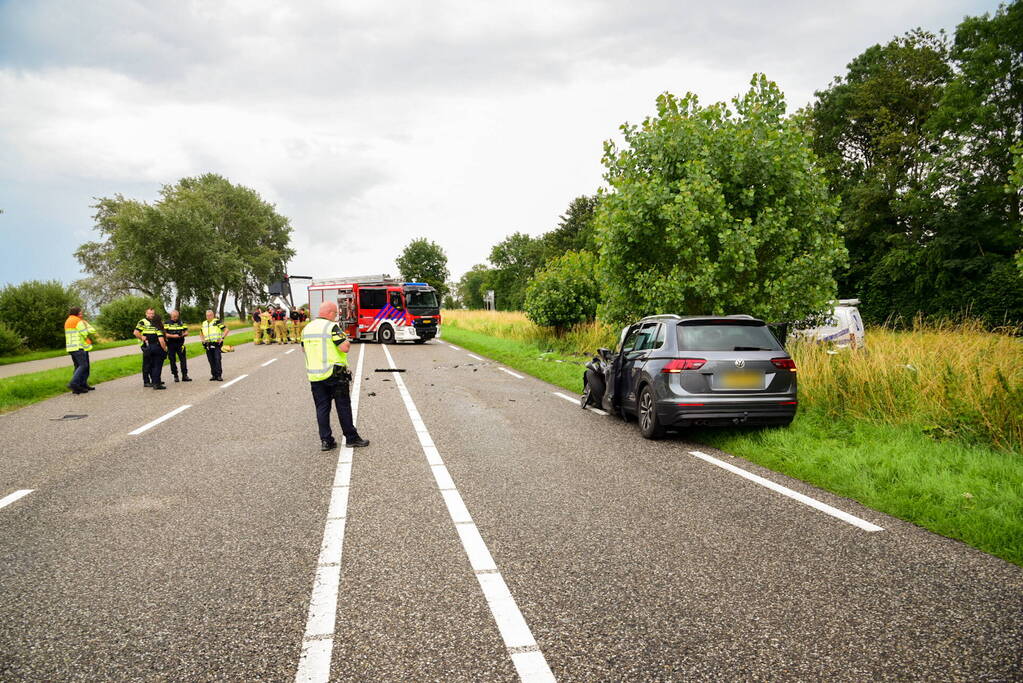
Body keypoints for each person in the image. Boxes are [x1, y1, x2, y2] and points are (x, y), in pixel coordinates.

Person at [302, 301, 369, 451]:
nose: (337, 316)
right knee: (343, 406)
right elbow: (344, 348)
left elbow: (303, 349)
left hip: (315, 377)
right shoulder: (331, 327)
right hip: (334, 374)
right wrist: (345, 337)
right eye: (336, 313)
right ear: (331, 313)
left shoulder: (307, 328)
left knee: (322, 409)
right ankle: (351, 438)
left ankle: (326, 441)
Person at [64, 306, 97, 394]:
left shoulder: (68, 321)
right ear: (77, 313)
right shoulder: (78, 321)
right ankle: (73, 383)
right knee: (83, 365)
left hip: (71, 347)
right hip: (79, 347)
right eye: (81, 312)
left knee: (78, 366)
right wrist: (86, 326)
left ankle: (81, 385)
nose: (82, 314)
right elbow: (84, 332)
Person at [134, 308, 168, 389]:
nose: (151, 315)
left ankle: (155, 380)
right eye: (149, 313)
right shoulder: (143, 321)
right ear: (146, 314)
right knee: (147, 364)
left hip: (151, 344)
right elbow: (136, 332)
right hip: (146, 345)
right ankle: (146, 381)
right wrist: (142, 338)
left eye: (153, 313)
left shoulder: (153, 322)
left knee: (153, 363)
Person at [199, 309, 228, 381]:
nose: (208, 317)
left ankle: (219, 375)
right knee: (211, 360)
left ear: (213, 315)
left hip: (216, 344)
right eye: (207, 315)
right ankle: (214, 375)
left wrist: (222, 338)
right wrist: (203, 341)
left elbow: (226, 330)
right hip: (208, 344)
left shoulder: (216, 321)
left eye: (210, 315)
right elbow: (201, 333)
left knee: (217, 359)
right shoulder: (204, 323)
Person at [164, 310, 191, 382]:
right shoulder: (167, 323)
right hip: (170, 344)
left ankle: (185, 375)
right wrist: (173, 336)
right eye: (174, 316)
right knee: (172, 360)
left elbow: (186, 332)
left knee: (183, 360)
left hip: (180, 344)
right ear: (171, 315)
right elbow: (164, 334)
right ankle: (175, 375)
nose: (175, 318)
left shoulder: (182, 322)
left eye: (177, 316)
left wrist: (182, 334)